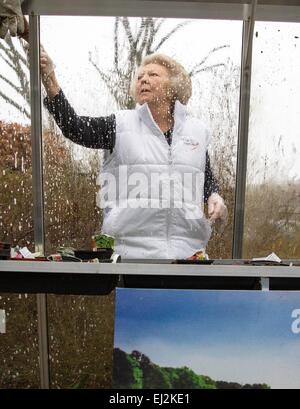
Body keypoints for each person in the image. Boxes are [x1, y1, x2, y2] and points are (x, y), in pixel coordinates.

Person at [18, 19, 228, 259]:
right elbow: (75, 127)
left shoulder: (197, 132)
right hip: (131, 258)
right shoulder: (119, 125)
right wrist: (49, 77)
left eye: (153, 74)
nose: (143, 79)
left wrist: (214, 196)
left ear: (174, 85)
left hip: (189, 257)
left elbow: (205, 178)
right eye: (140, 76)